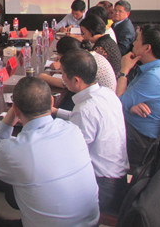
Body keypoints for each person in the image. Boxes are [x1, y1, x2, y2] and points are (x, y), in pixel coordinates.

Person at [0, 77, 99, 227]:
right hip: (91, 223)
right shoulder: (72, 129)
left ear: (15, 109)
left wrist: (8, 121)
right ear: (51, 102)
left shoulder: (14, 150)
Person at [55, 50, 129, 213]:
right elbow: (87, 120)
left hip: (103, 187)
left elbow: (72, 156)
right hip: (118, 178)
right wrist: (56, 112)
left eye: (63, 74)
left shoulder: (85, 110)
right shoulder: (107, 93)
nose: (62, 78)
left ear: (76, 80)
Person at [116, 23, 160, 167]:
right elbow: (124, 101)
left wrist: (124, 70)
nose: (133, 43)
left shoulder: (154, 76)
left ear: (147, 48)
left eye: (137, 39)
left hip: (143, 143)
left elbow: (117, 105)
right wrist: (130, 108)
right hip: (139, 130)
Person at [39, 36, 117, 93]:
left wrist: (43, 76)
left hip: (99, 100)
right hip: (104, 96)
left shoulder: (84, 62)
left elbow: (65, 83)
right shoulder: (89, 55)